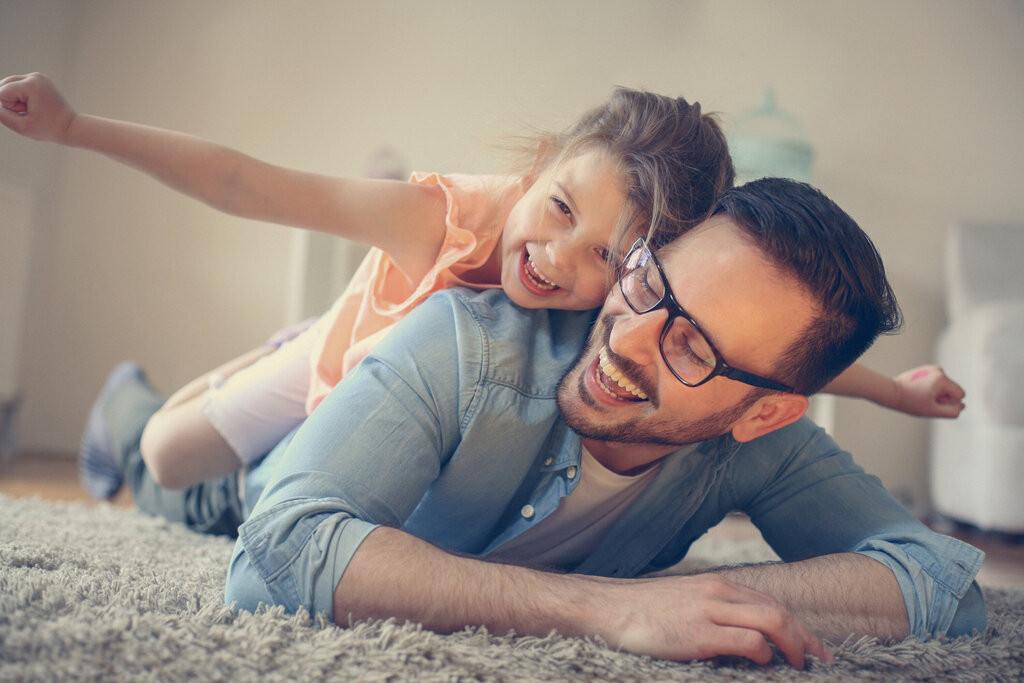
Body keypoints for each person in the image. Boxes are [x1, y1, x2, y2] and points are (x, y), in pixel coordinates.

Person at [79, 178, 985, 668]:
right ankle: (125, 394)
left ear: (765, 410)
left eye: (691, 349)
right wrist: (613, 610)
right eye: (645, 285)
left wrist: (724, 604)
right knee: (155, 453)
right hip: (247, 480)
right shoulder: (472, 345)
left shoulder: (764, 444)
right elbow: (278, 553)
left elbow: (942, 583)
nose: (627, 341)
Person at [0, 73, 966, 499]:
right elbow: (249, 182)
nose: (561, 262)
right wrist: (77, 128)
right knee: (168, 459)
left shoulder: (623, 308)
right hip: (343, 362)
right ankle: (159, 387)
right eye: (558, 210)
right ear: (543, 163)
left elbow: (744, 360)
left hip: (406, 421)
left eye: (606, 259)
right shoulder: (443, 218)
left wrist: (894, 389)